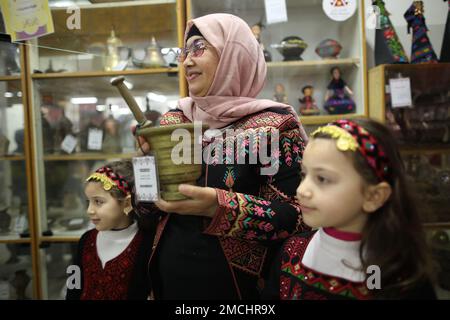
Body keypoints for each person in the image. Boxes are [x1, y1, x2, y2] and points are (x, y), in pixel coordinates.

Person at [135, 13, 309, 299]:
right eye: (184, 51)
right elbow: (144, 210)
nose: (187, 61)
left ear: (233, 54)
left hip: (238, 289)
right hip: (167, 280)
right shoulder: (174, 120)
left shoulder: (273, 125)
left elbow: (298, 217)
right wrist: (143, 166)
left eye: (198, 48)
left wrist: (219, 208)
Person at [263, 118, 436, 299]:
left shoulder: (397, 277)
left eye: (322, 179)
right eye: (304, 174)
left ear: (373, 196)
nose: (302, 190)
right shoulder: (291, 252)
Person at [66, 160, 157, 300]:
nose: (89, 210)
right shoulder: (86, 240)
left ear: (126, 203)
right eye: (88, 202)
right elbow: (73, 287)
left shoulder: (147, 244)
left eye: (98, 202)